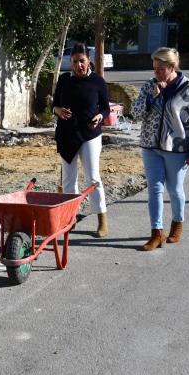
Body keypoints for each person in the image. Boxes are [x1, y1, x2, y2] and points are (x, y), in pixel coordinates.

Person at [131, 47, 189, 251]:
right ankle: (156, 233)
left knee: (174, 190)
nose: (156, 72)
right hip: (150, 146)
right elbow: (135, 114)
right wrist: (150, 98)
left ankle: (177, 224)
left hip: (177, 148)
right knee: (154, 190)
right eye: (154, 68)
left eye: (160, 69)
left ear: (172, 67)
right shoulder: (149, 86)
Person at [52, 43, 110, 237]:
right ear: (71, 62)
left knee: (93, 177)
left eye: (82, 61)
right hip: (67, 134)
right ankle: (70, 219)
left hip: (90, 135)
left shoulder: (97, 81)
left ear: (88, 61)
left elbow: (105, 108)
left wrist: (100, 117)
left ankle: (102, 220)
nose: (79, 65)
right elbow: (54, 105)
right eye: (75, 61)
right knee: (68, 179)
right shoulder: (64, 80)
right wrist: (57, 110)